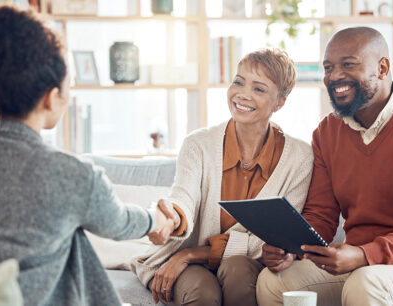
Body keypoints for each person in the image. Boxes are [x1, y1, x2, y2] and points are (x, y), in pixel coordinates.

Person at [0, 6, 181, 306]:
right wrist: (157, 219)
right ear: (51, 97)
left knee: (70, 232)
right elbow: (119, 222)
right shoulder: (72, 175)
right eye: (68, 87)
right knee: (74, 235)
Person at [256, 27, 393, 306]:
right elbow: (322, 216)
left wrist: (366, 255)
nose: (334, 76)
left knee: (365, 284)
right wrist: (291, 249)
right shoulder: (327, 132)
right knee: (273, 282)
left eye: (348, 64)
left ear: (382, 68)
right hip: (359, 261)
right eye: (328, 67)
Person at [131, 48, 314, 306]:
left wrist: (193, 254)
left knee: (239, 272)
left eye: (259, 89)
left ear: (280, 102)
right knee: (203, 294)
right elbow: (182, 197)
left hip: (242, 263)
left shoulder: (300, 158)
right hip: (184, 258)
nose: (243, 94)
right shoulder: (198, 144)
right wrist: (172, 219)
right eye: (238, 82)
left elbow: (274, 238)